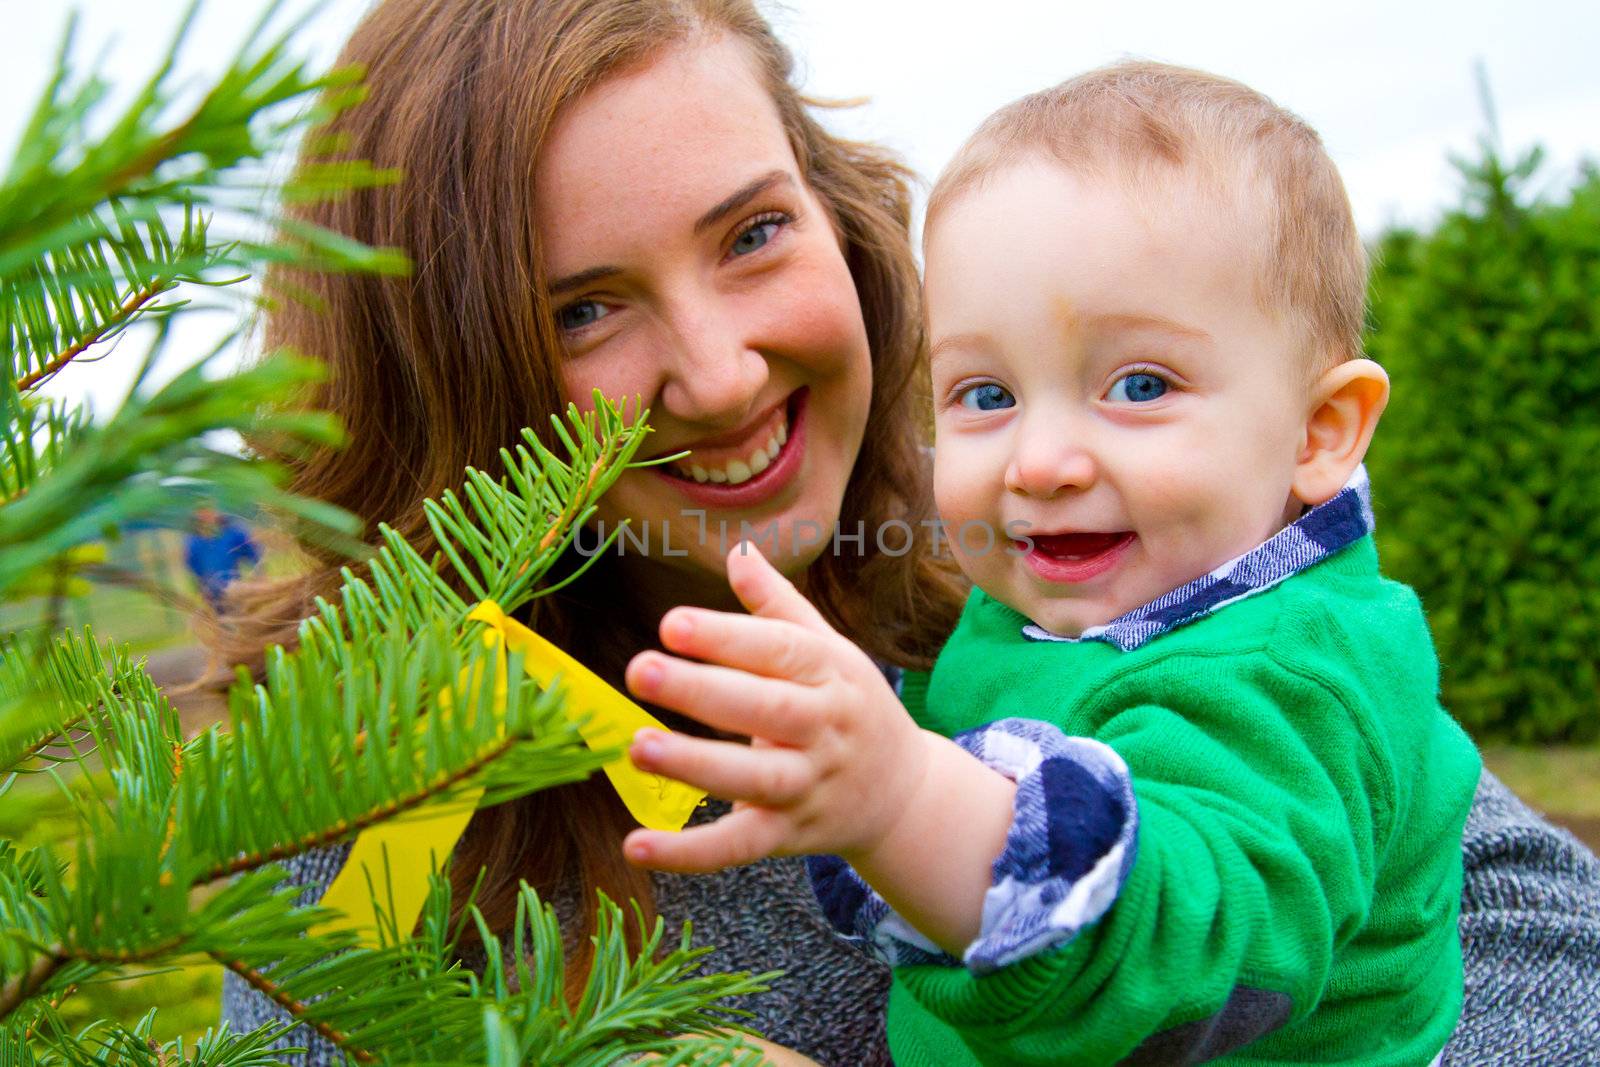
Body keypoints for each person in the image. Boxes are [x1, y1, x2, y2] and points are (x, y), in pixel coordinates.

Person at [214, 2, 1600, 1064]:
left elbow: (1542, 948)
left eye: (752, 233)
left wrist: (918, 804)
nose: (721, 372)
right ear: (444, 383)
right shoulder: (377, 809)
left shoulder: (1062, 589)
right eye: (583, 309)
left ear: (841, 221)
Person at [620, 63, 1485, 1064]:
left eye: (1140, 383)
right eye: (985, 395)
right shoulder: (1045, 595)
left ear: (1318, 431)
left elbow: (1192, 949)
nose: (1038, 463)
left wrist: (905, 799)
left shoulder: (1296, 671)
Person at [183, 506, 261, 611]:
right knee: (222, 621)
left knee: (239, 616)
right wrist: (201, 589)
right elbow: (194, 567)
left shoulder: (233, 532)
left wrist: (259, 573)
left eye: (209, 510)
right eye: (202, 512)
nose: (206, 515)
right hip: (212, 594)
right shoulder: (194, 541)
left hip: (234, 588)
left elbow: (252, 553)